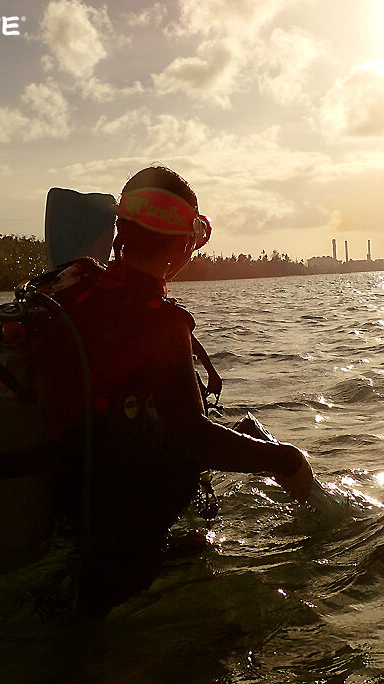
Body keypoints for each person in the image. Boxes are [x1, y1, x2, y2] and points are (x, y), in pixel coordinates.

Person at [42, 165, 313, 615]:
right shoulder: (159, 322)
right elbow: (190, 435)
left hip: (70, 522)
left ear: (121, 233)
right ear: (183, 243)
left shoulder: (70, 296)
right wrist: (284, 460)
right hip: (136, 548)